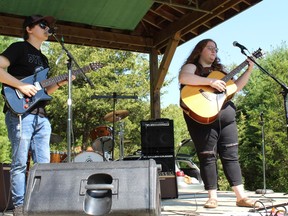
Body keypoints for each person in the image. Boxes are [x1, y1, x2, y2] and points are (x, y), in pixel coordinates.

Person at [0, 15, 70, 216]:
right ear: (29, 29)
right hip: (20, 113)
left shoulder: (44, 59)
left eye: (48, 26)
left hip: (41, 116)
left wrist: (61, 82)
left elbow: (43, 92)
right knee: (20, 162)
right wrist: (21, 85)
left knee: (44, 164)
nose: (47, 28)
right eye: (43, 25)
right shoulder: (18, 48)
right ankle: (20, 208)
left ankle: (42, 204)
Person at [178, 39, 258, 208]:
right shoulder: (193, 67)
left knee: (231, 156)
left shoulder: (220, 72)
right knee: (207, 156)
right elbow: (184, 77)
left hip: (227, 118)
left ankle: (241, 197)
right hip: (201, 118)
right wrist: (210, 82)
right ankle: (212, 197)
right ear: (200, 50)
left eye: (216, 49)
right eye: (210, 48)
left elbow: (236, 87)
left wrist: (249, 69)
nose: (214, 52)